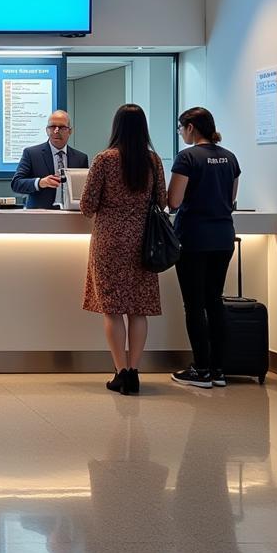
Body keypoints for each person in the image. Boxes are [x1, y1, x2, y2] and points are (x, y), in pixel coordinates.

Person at [80, 104, 167, 395]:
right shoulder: (153, 161)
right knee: (138, 309)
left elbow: (88, 205)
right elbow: (162, 201)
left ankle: (121, 373)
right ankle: (135, 371)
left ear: (116, 127)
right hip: (143, 241)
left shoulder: (104, 160)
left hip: (109, 241)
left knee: (113, 309)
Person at [167, 107, 241, 389]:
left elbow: (173, 201)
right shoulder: (230, 157)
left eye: (180, 128)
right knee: (215, 300)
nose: (180, 133)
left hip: (194, 238)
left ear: (190, 127)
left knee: (194, 305)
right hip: (224, 238)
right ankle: (219, 369)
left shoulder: (187, 157)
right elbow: (231, 198)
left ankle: (200, 369)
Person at [11, 110, 89, 209]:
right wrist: (40, 182)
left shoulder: (80, 158)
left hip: (71, 216)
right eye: (52, 127)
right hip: (41, 216)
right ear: (47, 130)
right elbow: (16, 184)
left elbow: (85, 190)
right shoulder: (31, 154)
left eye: (61, 127)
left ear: (70, 131)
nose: (56, 131)